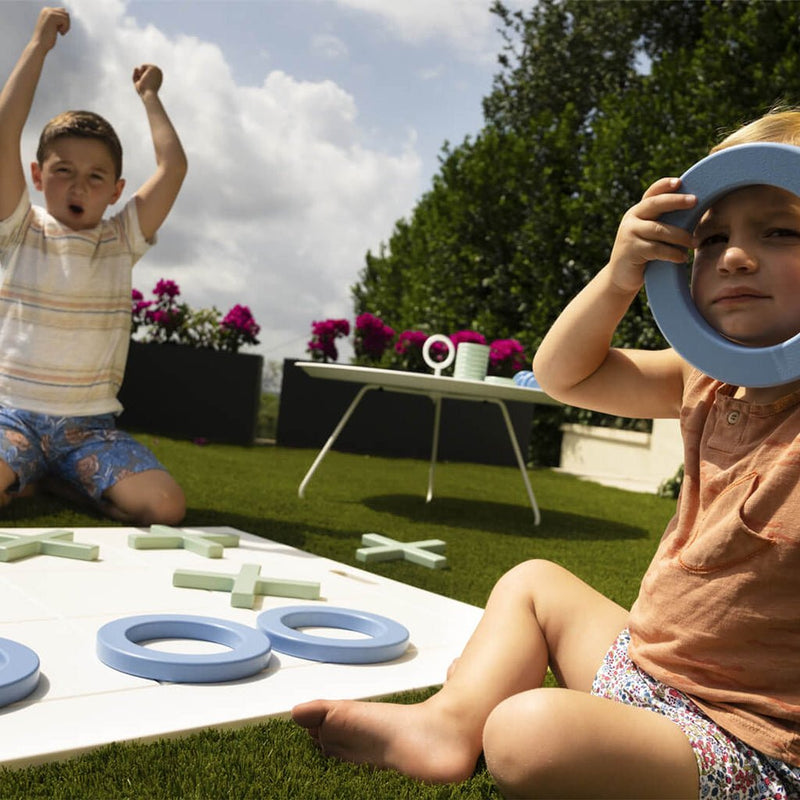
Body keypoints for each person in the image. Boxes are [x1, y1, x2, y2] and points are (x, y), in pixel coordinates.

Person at [291, 109, 800, 799]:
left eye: (781, 231)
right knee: (533, 584)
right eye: (711, 238)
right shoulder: (700, 378)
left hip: (745, 741)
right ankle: (445, 723)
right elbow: (567, 374)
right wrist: (620, 277)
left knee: (528, 734)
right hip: (648, 675)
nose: (735, 256)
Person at [0, 7, 188, 524]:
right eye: (63, 172)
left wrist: (150, 97)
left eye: (95, 176)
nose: (79, 186)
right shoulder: (19, 226)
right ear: (38, 175)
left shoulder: (121, 238)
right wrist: (38, 46)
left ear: (116, 190)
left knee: (166, 507)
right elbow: (3, 130)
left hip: (90, 430)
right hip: (9, 417)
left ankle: (57, 477)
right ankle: (28, 470)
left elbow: (174, 168)